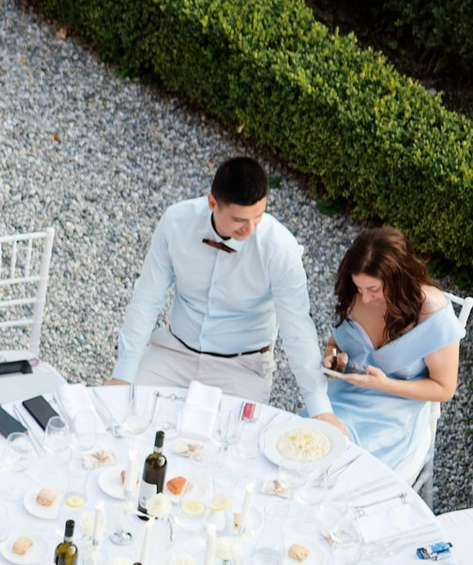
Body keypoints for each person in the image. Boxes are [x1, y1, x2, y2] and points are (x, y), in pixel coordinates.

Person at [112, 154, 331, 415]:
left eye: (258, 217)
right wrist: (123, 374)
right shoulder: (176, 222)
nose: (250, 230)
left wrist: (321, 409)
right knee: (125, 415)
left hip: (242, 367)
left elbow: (297, 328)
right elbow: (146, 299)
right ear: (213, 203)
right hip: (173, 352)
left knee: (232, 445)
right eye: (239, 220)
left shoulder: (280, 248)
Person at [321, 225, 463, 472]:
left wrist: (384, 384)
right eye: (359, 288)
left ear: (399, 279)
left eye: (373, 290)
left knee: (346, 469)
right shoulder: (356, 295)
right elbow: (334, 343)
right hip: (342, 397)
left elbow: (444, 389)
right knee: (309, 445)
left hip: (393, 413)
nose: (364, 298)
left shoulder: (434, 315)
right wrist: (332, 358)